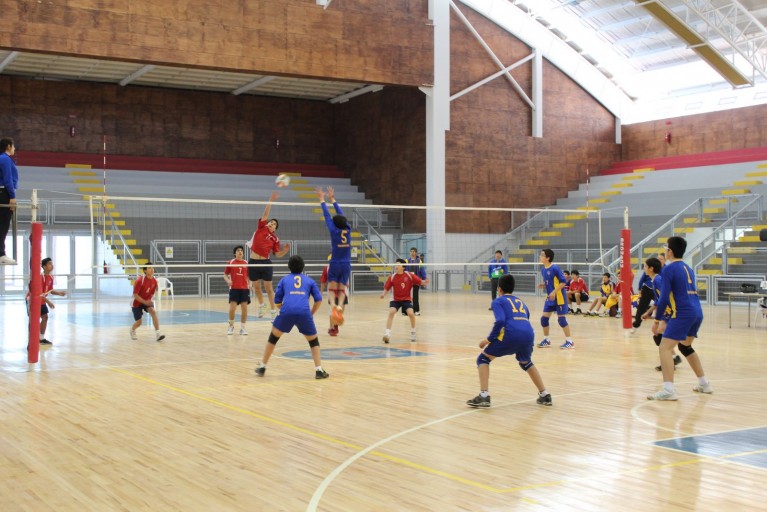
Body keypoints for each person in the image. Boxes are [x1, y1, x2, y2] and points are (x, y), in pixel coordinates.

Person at [466, 274, 552, 408]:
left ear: (499, 289)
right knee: (526, 362)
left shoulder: (498, 301)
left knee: (482, 359)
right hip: (529, 334)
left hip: (511, 334)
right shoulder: (521, 302)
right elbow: (525, 318)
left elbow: (500, 321)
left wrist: (488, 340)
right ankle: (545, 395)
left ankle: (484, 396)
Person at [647, 236, 712, 401]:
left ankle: (668, 389)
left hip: (682, 313)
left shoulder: (669, 269)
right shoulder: (687, 268)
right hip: (697, 311)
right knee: (685, 347)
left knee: (664, 348)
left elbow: (664, 299)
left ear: (670, 251)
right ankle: (704, 383)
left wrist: (657, 320)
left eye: (665, 248)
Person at [254, 255, 329, 379]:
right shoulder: (309, 281)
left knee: (273, 338)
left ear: (289, 267)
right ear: (303, 267)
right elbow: (319, 300)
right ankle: (319, 370)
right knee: (313, 341)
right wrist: (311, 314)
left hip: (287, 311)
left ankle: (262, 366)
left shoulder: (284, 280)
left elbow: (277, 300)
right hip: (304, 312)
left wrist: (285, 311)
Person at [248, 191, 291, 322]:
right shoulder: (261, 228)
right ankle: (262, 305)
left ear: (275, 229)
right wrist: (271, 200)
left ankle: (273, 312)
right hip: (253, 262)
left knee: (268, 288)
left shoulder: (275, 239)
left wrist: (285, 251)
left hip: (266, 263)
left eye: (274, 224)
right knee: (256, 287)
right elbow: (265, 214)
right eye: (270, 222)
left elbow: (277, 254)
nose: (271, 224)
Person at [316, 186, 351, 336]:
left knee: (332, 289)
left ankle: (333, 308)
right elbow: (340, 214)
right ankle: (340, 306)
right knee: (342, 289)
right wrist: (333, 199)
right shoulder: (347, 229)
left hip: (335, 263)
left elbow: (327, 215)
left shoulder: (333, 230)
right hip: (347, 264)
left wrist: (321, 199)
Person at [640, 255, 682, 372]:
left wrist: (658, 319)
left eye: (645, 266)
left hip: (670, 311)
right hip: (667, 311)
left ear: (651, 268)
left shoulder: (658, 280)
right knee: (656, 332)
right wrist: (648, 312)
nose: (644, 268)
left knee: (659, 332)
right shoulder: (655, 280)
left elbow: (665, 297)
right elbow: (659, 300)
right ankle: (673, 357)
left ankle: (670, 360)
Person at [380, 258, 428, 343]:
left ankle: (413, 332)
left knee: (411, 313)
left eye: (398, 264)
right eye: (396, 264)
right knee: (391, 312)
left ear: (403, 267)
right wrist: (383, 294)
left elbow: (419, 281)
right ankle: (387, 334)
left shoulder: (409, 275)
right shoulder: (392, 277)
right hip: (395, 299)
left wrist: (425, 282)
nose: (396, 266)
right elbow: (387, 287)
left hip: (406, 299)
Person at [536, 249, 575, 349]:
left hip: (559, 298)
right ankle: (546, 340)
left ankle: (570, 341)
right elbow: (552, 282)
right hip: (550, 298)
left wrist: (554, 292)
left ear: (548, 258)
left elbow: (563, 282)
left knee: (561, 320)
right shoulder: (543, 269)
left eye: (542, 255)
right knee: (544, 319)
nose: (540, 256)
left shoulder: (555, 268)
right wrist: (544, 285)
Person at [27, 257, 67, 346]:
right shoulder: (40, 277)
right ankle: (32, 339)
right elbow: (39, 293)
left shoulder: (50, 277)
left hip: (41, 300)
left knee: (45, 317)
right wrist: (49, 302)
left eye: (52, 264)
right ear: (44, 266)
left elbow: (50, 290)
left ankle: (41, 339)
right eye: (49, 264)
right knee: (33, 320)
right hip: (33, 300)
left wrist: (59, 293)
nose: (52, 266)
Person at [130, 265, 165, 342]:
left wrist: (149, 301)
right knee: (139, 322)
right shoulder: (140, 280)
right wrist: (145, 302)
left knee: (153, 311)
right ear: (145, 270)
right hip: (136, 302)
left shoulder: (155, 281)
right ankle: (132, 330)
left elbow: (151, 293)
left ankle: (158, 333)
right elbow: (135, 295)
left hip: (146, 300)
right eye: (149, 268)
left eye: (152, 268)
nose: (152, 269)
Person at [0, 137, 19, 265]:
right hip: (4, 193)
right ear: (8, 146)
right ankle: (1, 254)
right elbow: (8, 179)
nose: (14, 148)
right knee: (3, 225)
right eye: (13, 146)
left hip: (3, 192)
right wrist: (12, 196)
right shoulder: (5, 159)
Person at [224, 245, 250, 335]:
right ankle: (231, 326)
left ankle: (243, 328)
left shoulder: (246, 263)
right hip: (234, 288)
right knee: (232, 309)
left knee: (245, 309)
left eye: (241, 250)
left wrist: (250, 284)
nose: (240, 252)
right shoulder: (231, 262)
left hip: (244, 289)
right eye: (238, 250)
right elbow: (225, 275)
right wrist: (228, 280)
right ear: (235, 253)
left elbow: (249, 276)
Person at [406, 247, 426, 316]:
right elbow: (404, 270)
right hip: (408, 282)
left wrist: (424, 280)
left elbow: (422, 271)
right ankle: (406, 311)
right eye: (411, 251)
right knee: (406, 296)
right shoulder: (407, 261)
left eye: (413, 251)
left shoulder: (419, 261)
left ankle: (416, 310)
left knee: (415, 296)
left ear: (416, 253)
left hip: (416, 281)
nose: (412, 252)